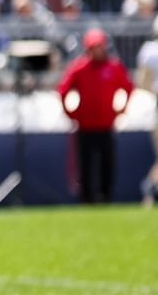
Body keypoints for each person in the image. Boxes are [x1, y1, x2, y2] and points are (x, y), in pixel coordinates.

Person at [56, 27, 135, 204]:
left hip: (106, 125)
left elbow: (129, 87)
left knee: (107, 164)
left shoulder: (114, 67)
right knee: (85, 165)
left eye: (100, 46)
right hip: (85, 126)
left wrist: (122, 109)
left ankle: (106, 198)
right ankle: (87, 199)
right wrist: (70, 112)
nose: (97, 50)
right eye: (94, 47)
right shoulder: (79, 67)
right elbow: (62, 90)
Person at [138, 15, 158, 207]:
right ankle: (149, 189)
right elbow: (143, 83)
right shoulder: (151, 51)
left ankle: (149, 189)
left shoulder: (150, 51)